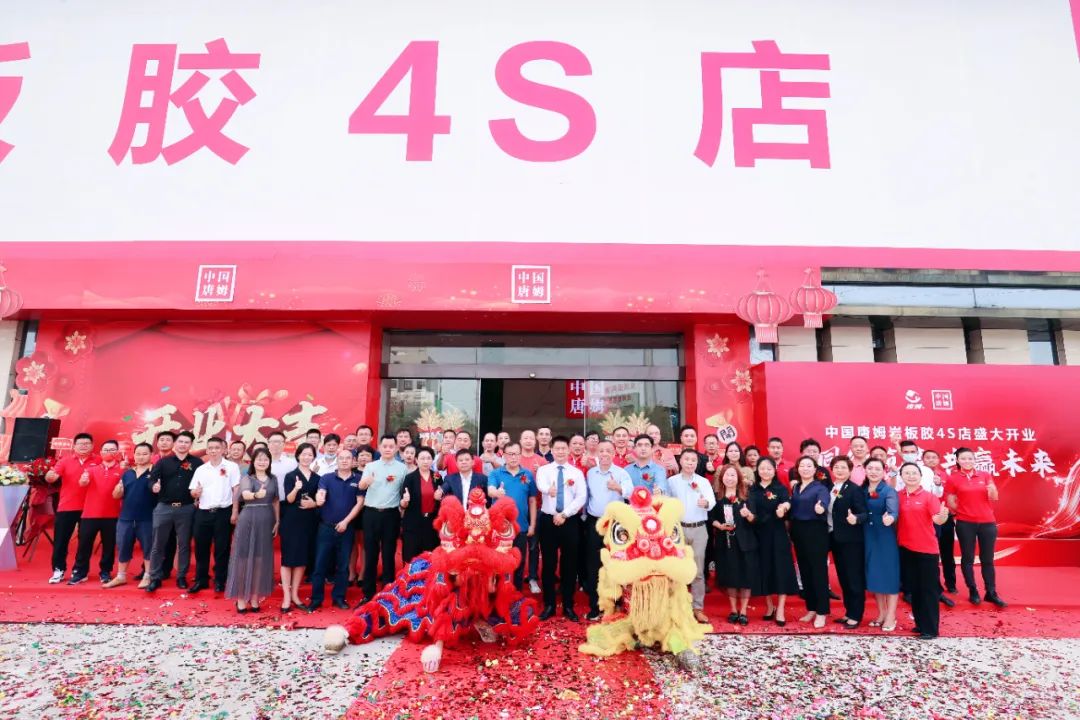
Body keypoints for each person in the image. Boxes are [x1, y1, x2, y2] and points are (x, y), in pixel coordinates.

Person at [946, 447, 1006, 608]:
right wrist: (963, 512)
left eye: (970, 458)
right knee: (968, 558)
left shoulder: (985, 475)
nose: (967, 461)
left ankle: (991, 592)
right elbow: (950, 500)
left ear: (974, 460)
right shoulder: (953, 479)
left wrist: (992, 490)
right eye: (963, 458)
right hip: (965, 523)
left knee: (987, 559)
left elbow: (994, 497)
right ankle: (973, 590)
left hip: (987, 522)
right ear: (957, 460)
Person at [897, 462, 950, 639]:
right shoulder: (898, 496)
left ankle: (930, 629)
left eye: (914, 473)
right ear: (901, 477)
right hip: (905, 548)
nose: (911, 476)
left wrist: (943, 516)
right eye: (907, 473)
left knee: (928, 590)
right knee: (915, 589)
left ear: (920, 476)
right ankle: (920, 624)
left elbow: (938, 519)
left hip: (926, 550)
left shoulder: (929, 497)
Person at [536, 436, 587, 622]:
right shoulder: (543, 470)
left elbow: (581, 497)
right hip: (548, 521)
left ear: (568, 450)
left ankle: (568, 605)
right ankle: (549, 604)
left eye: (563, 448)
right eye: (557, 448)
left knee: (569, 564)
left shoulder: (576, 473)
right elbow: (541, 484)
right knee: (548, 564)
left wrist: (564, 514)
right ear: (552, 450)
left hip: (569, 521)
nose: (560, 451)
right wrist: (547, 490)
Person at [146, 430, 202, 592]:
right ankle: (155, 577)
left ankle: (181, 576)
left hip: (187, 508)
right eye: (180, 442)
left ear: (191, 445)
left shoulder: (197, 463)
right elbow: (152, 479)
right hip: (164, 507)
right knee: (158, 544)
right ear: (175, 443)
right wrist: (154, 486)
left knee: (184, 544)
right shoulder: (163, 462)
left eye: (187, 442)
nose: (183, 445)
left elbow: (202, 483)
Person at [309, 449, 364, 611]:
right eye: (341, 458)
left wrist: (346, 522)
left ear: (353, 461)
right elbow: (321, 492)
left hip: (347, 528)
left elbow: (360, 503)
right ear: (337, 461)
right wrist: (319, 499)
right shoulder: (326, 478)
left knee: (343, 565)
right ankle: (316, 599)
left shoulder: (358, 479)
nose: (344, 461)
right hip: (325, 527)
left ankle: (339, 598)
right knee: (320, 565)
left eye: (348, 458)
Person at [582, 440, 632, 619]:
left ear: (614, 453)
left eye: (608, 451)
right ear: (597, 453)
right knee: (594, 563)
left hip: (615, 524)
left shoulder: (621, 473)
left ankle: (617, 602)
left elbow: (631, 493)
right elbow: (587, 496)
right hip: (595, 522)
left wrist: (618, 488)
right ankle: (596, 605)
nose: (604, 454)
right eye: (601, 451)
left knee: (616, 562)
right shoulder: (590, 473)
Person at [226, 447, 280, 613]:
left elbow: (275, 501)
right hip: (248, 519)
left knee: (260, 560)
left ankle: (255, 597)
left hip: (266, 519)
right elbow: (246, 494)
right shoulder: (247, 478)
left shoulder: (273, 479)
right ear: (253, 461)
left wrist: (277, 521)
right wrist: (257, 495)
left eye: (265, 459)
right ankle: (241, 598)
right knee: (243, 559)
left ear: (269, 462)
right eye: (259, 459)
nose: (262, 462)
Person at [748, 457, 798, 626]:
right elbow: (752, 514)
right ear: (757, 470)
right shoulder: (753, 490)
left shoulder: (780, 488)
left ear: (774, 470)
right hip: (760, 535)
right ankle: (769, 605)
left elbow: (787, 503)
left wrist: (783, 508)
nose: (765, 471)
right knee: (764, 569)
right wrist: (749, 516)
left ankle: (781, 608)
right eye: (762, 468)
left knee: (781, 569)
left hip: (778, 534)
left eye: (769, 468)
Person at [189, 436, 241, 594]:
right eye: (210, 448)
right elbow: (193, 491)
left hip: (223, 512)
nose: (213, 451)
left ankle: (220, 580)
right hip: (203, 512)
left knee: (222, 548)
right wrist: (195, 493)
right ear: (207, 450)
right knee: (201, 548)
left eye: (217, 448)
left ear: (223, 450)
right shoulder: (201, 469)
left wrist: (235, 511)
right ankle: (201, 580)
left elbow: (236, 490)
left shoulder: (231, 467)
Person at [359, 436, 408, 602]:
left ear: (396, 449)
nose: (388, 449)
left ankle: (388, 592)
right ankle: (368, 593)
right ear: (379, 447)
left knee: (389, 554)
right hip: (371, 514)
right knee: (371, 554)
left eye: (391, 446)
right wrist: (366, 481)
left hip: (391, 515)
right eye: (385, 446)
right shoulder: (371, 466)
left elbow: (404, 491)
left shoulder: (402, 468)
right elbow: (361, 486)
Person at [45, 432, 99, 584]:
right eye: (80, 444)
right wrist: (50, 476)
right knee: (61, 541)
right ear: (74, 446)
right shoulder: (65, 460)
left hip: (90, 507)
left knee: (85, 542)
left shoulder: (98, 460)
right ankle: (58, 570)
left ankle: (80, 571)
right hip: (67, 506)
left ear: (92, 446)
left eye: (87, 443)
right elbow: (52, 476)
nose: (83, 446)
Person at [670, 449, 716, 625]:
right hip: (677, 530)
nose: (690, 462)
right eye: (687, 459)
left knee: (697, 571)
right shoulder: (672, 481)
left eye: (693, 460)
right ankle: (677, 607)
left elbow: (711, 502)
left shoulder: (703, 481)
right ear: (680, 461)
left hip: (699, 529)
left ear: (697, 463)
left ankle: (698, 608)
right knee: (676, 570)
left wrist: (706, 503)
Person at [710, 463, 759, 625]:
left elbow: (755, 519)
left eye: (733, 475)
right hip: (726, 542)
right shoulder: (717, 496)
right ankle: (733, 610)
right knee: (729, 576)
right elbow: (711, 518)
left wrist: (748, 515)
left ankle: (743, 611)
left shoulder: (747, 495)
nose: (729, 478)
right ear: (721, 478)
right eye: (727, 475)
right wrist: (719, 526)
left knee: (746, 576)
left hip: (745, 542)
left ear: (738, 477)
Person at [70, 440, 124, 584]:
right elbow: (82, 483)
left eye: (112, 450)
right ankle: (80, 572)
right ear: (100, 453)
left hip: (112, 515)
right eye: (106, 450)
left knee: (109, 546)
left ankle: (105, 572)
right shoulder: (91, 469)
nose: (108, 452)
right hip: (90, 514)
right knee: (84, 545)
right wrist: (83, 480)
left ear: (117, 452)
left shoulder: (123, 471)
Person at [487, 443, 539, 590]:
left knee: (519, 562)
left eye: (516, 454)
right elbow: (490, 490)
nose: (513, 457)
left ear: (520, 455)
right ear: (504, 456)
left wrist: (532, 525)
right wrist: (497, 493)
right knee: (499, 562)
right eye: (510, 454)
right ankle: (498, 594)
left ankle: (516, 594)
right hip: (500, 528)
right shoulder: (496, 473)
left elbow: (532, 500)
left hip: (521, 527)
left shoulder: (527, 474)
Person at [105, 442, 156, 589]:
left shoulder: (155, 473)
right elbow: (116, 495)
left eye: (144, 454)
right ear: (134, 455)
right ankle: (121, 576)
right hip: (126, 517)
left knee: (148, 547)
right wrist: (118, 490)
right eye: (138, 454)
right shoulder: (127, 473)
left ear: (151, 455)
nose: (141, 457)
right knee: (123, 546)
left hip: (147, 518)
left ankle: (148, 576)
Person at [788, 455, 831, 628]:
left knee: (818, 572)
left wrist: (821, 507)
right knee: (805, 571)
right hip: (798, 531)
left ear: (815, 470)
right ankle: (811, 608)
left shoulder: (820, 487)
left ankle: (822, 611)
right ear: (798, 469)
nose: (805, 469)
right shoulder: (796, 487)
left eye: (809, 466)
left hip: (815, 532)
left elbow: (824, 501)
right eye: (802, 466)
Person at [279, 443, 321, 611]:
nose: (306, 457)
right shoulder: (291, 476)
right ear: (297, 456)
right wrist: (296, 489)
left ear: (313, 457)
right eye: (303, 454)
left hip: (309, 521)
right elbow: (289, 499)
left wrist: (314, 504)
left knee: (302, 559)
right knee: (288, 559)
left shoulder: (317, 478)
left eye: (310, 454)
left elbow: (320, 499)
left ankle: (295, 594)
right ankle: (286, 597)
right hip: (291, 520)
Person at [828, 457, 867, 629]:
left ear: (850, 470)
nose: (840, 470)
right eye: (836, 467)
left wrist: (856, 518)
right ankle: (848, 611)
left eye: (843, 467)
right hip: (835, 539)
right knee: (843, 578)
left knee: (853, 578)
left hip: (852, 541)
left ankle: (856, 615)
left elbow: (864, 513)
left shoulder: (854, 489)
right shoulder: (830, 488)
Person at [863, 458, 900, 632]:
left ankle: (891, 615)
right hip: (867, 536)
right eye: (870, 468)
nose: (873, 472)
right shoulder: (862, 490)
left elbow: (893, 511)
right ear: (865, 470)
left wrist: (890, 518)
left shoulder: (888, 490)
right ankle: (881, 613)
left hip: (885, 537)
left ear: (883, 471)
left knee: (890, 575)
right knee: (874, 575)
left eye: (877, 469)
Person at [401, 447, 444, 562]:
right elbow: (403, 503)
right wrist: (405, 501)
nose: (425, 461)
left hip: (432, 522)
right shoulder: (410, 478)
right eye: (422, 458)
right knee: (411, 555)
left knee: (431, 555)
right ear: (416, 460)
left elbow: (442, 497)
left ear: (432, 460)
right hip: (413, 521)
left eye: (428, 458)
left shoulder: (437, 477)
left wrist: (440, 498)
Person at [923, 448, 956, 593]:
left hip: (945, 516)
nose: (931, 460)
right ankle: (935, 584)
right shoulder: (918, 474)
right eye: (927, 457)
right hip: (928, 518)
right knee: (932, 553)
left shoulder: (945, 476)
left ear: (938, 460)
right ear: (923, 460)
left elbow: (950, 496)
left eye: (934, 457)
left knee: (947, 552)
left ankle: (951, 583)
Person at [268, 431, 298, 501]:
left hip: (286, 502)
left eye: (278, 442)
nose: (275, 445)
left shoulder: (292, 463)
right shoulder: (261, 463)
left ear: (284, 444)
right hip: (266, 503)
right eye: (272, 442)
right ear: (268, 444)